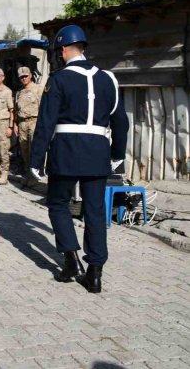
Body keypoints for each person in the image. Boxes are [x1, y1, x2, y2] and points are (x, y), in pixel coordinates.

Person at [30, 25, 129, 294]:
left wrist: (36, 159)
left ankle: (71, 259)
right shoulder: (108, 78)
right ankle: (95, 273)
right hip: (98, 151)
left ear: (63, 49)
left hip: (66, 150)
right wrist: (117, 155)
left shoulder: (59, 79)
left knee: (58, 203)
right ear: (83, 47)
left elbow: (46, 123)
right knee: (95, 210)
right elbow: (121, 121)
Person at [14, 66, 42, 187]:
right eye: (21, 77)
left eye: (25, 76)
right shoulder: (19, 92)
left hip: (34, 122)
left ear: (30, 75)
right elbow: (16, 110)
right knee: (24, 150)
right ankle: (27, 174)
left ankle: (35, 176)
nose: (23, 78)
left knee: (33, 150)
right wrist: (15, 124)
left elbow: (43, 108)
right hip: (22, 123)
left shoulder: (38, 89)